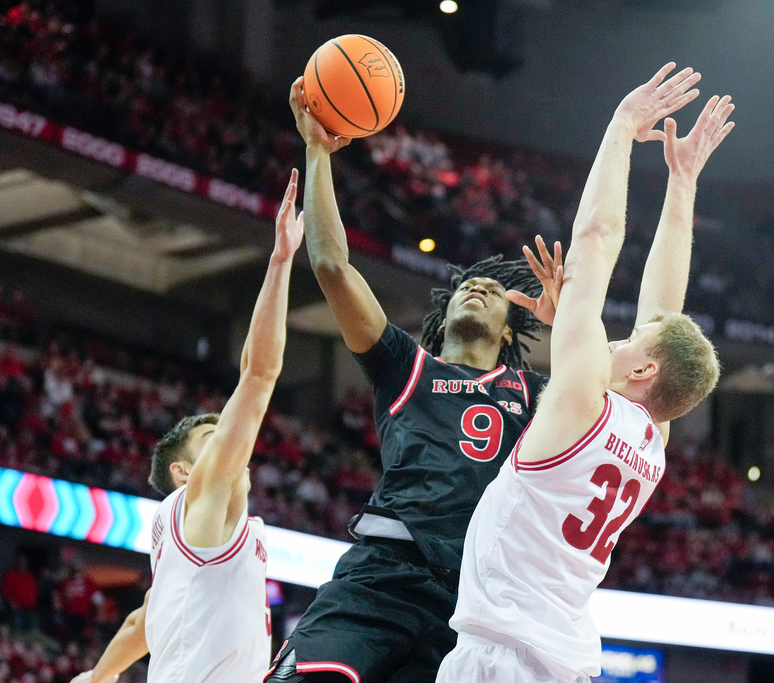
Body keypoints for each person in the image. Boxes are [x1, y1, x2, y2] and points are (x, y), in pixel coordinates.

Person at [436, 63, 733, 682]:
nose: (616, 340)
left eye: (628, 341)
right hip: (562, 662)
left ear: (645, 369)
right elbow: (665, 310)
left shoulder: (581, 399)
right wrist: (682, 182)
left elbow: (596, 238)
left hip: (501, 661)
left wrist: (623, 124)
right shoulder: (654, 440)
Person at [266, 80, 561, 683]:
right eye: (463, 286)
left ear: (511, 332)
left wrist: (573, 319)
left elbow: (636, 386)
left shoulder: (538, 394)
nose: (475, 287)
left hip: (475, 605)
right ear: (444, 313)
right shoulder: (405, 365)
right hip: (383, 575)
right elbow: (330, 265)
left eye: (492, 290)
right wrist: (318, 152)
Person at [69, 169, 306, 683]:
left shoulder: (179, 541)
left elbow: (141, 623)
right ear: (184, 471)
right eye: (212, 438)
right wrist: (282, 261)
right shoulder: (201, 502)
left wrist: (100, 675)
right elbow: (260, 372)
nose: (228, 443)